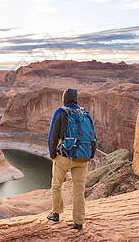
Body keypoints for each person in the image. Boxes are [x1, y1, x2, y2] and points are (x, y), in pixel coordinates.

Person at [46, 88, 90, 230]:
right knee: (78, 190)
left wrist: (53, 154)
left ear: (64, 99)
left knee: (56, 185)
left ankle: (56, 213)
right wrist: (90, 155)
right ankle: (78, 222)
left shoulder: (60, 112)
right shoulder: (85, 113)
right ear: (76, 99)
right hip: (83, 157)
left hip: (64, 157)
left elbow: (53, 136)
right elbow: (92, 136)